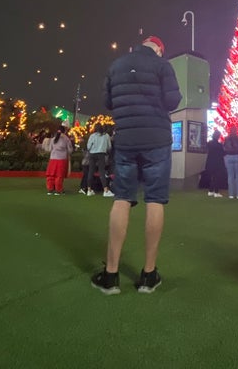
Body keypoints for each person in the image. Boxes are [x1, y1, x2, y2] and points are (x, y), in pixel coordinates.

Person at [91, 35, 181, 295]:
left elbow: (108, 102)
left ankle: (110, 276)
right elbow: (173, 101)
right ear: (159, 50)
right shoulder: (163, 66)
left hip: (127, 140)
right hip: (156, 141)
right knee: (155, 200)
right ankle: (149, 275)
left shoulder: (116, 65)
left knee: (121, 198)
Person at [79, 123, 113, 197]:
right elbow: (109, 147)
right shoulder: (106, 136)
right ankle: (105, 190)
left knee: (91, 172)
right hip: (101, 154)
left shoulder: (92, 136)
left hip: (92, 154)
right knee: (102, 172)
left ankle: (89, 190)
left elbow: (88, 146)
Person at [46, 125, 73, 195]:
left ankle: (50, 189)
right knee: (59, 175)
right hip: (61, 159)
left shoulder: (53, 139)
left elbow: (49, 149)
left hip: (52, 159)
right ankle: (58, 190)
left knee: (51, 175)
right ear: (64, 131)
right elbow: (70, 150)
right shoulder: (66, 139)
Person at [223, 125, 238, 200]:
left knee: (230, 177)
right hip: (237, 156)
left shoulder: (226, 138)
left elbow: (224, 148)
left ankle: (231, 194)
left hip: (229, 157)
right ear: (236, 131)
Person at [205, 130, 225, 198]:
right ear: (218, 136)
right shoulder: (219, 145)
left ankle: (210, 191)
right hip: (217, 163)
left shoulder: (209, 143)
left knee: (212, 177)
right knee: (217, 178)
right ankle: (216, 192)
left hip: (210, 162)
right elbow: (223, 153)